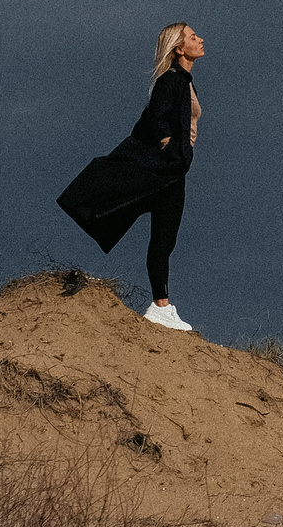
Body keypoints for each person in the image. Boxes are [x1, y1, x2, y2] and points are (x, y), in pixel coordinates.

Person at [55, 22, 206, 331]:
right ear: (179, 48)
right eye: (192, 37)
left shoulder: (184, 80)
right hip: (167, 170)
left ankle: (161, 305)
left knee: (165, 239)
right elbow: (153, 118)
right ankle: (160, 307)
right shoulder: (171, 80)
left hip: (174, 169)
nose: (200, 39)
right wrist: (168, 147)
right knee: (162, 238)